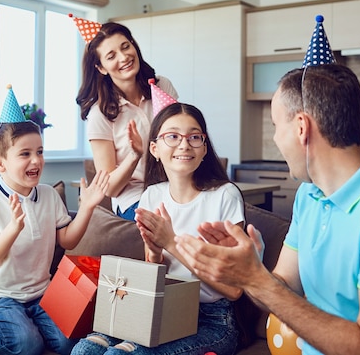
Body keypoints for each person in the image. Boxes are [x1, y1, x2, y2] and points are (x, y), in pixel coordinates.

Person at [175, 63, 360, 355]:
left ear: (302, 128)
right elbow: (282, 288)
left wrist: (255, 279)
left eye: (277, 127)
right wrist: (246, 270)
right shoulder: (309, 195)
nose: (277, 139)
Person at [70, 102, 244, 355]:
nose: (184, 144)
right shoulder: (153, 195)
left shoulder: (225, 196)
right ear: (154, 148)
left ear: (204, 148)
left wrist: (172, 243)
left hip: (212, 319)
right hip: (160, 307)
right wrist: (153, 253)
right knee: (84, 350)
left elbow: (234, 290)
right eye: (172, 136)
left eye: (194, 137)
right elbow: (154, 275)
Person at [0, 85, 110, 355]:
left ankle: (30, 323)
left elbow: (68, 240)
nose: (36, 160)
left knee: (68, 343)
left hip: (41, 293)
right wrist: (13, 229)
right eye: (25, 154)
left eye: (39, 151)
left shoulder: (50, 195)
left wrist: (86, 208)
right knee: (29, 345)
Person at [75, 19, 178, 221]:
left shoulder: (161, 85)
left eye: (126, 47)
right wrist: (134, 156)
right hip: (136, 198)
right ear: (101, 68)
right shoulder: (100, 114)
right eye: (111, 56)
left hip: (175, 187)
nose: (124, 57)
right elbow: (110, 188)